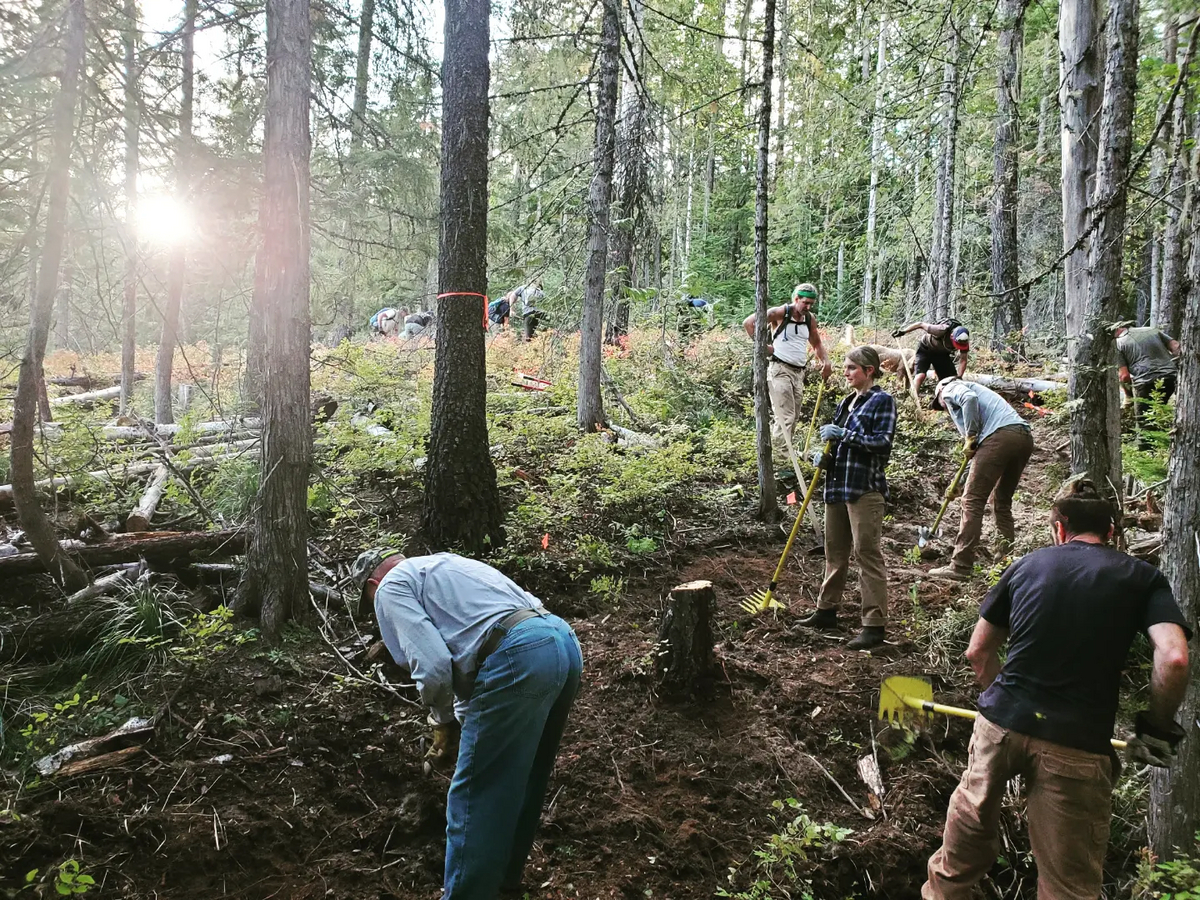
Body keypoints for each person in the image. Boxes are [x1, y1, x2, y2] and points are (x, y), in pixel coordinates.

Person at [921, 479, 1191, 900]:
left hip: (999, 727)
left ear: (1059, 529)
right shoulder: (1142, 577)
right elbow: (1174, 658)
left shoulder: (1028, 565)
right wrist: (1155, 728)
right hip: (1076, 745)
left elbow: (978, 651)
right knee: (1067, 885)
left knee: (958, 856)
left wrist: (1006, 703)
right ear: (1113, 533)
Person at [353, 550, 584, 900]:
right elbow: (471, 650)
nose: (376, 608)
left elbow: (433, 666)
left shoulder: (390, 588)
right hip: (561, 642)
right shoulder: (443, 564)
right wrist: (461, 722)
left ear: (372, 584)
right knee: (527, 776)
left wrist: (441, 721)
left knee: (475, 791)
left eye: (369, 601)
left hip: (517, 656)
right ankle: (505, 884)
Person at [797, 346, 896, 650]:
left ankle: (874, 626)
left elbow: (882, 443)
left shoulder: (882, 401)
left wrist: (845, 436)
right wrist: (823, 456)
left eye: (852, 367)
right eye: (845, 367)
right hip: (836, 487)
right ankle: (826, 610)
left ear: (869, 371)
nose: (846, 372)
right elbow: (837, 447)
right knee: (834, 552)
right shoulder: (844, 403)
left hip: (864, 488)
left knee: (867, 554)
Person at [927, 376, 1034, 580]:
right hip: (1023, 437)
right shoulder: (991, 406)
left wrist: (970, 435)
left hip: (999, 438)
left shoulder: (949, 388)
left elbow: (968, 399)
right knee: (1001, 503)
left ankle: (960, 565)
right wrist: (958, 483)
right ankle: (1005, 564)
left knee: (972, 501)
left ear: (940, 392)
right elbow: (978, 455)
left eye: (941, 405)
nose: (946, 409)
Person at [742, 283, 833, 480]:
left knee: (794, 417)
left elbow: (816, 342)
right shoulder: (780, 312)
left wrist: (825, 361)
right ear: (796, 299)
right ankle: (782, 465)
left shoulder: (809, 319)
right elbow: (749, 323)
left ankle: (787, 457)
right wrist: (762, 346)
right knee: (785, 417)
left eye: (811, 303)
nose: (807, 306)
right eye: (805, 302)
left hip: (799, 372)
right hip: (779, 369)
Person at [1114, 321, 1181, 439]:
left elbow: (1124, 376)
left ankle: (1146, 451)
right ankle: (1161, 443)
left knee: (1144, 424)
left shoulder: (1118, 343)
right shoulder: (1151, 330)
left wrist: (1129, 394)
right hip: (1171, 377)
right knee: (1158, 413)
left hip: (1145, 382)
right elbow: (1176, 347)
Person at [892, 318, 971, 393]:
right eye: (957, 344)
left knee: (950, 379)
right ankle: (913, 399)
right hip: (925, 349)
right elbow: (920, 324)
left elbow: (963, 360)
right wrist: (903, 332)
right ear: (951, 336)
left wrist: (959, 376)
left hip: (941, 354)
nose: (958, 346)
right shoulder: (940, 330)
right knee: (920, 376)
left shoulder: (964, 342)